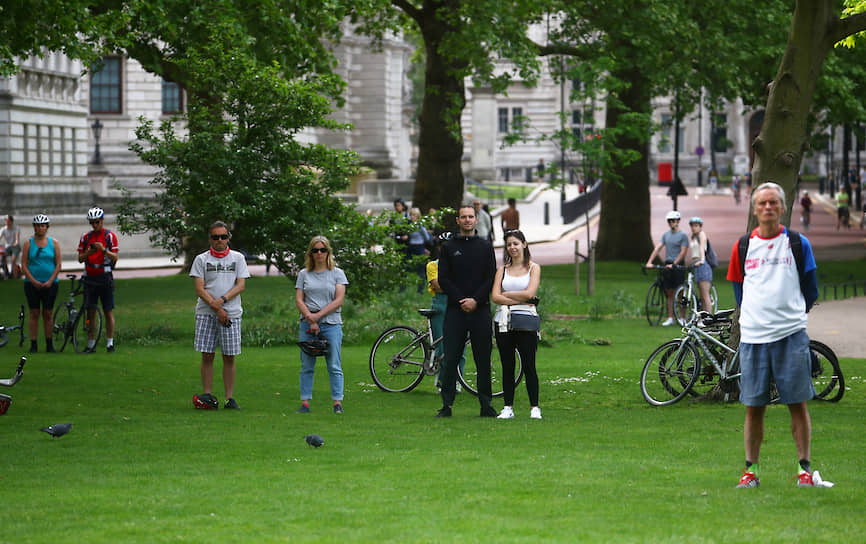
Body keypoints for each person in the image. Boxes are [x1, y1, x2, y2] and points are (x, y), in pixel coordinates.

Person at [727, 182, 820, 488]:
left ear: (782, 207)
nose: (768, 207)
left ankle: (804, 469)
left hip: (791, 335)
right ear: (754, 209)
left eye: (773, 203)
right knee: (754, 406)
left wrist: (789, 315)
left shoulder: (797, 243)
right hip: (753, 339)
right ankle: (750, 471)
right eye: (762, 203)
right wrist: (758, 316)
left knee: (797, 402)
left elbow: (811, 290)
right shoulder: (742, 247)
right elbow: (740, 292)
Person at [434, 204, 497, 418]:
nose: (468, 220)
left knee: (483, 359)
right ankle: (447, 405)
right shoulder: (449, 247)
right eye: (464, 217)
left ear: (476, 220)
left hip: (480, 310)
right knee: (450, 358)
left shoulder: (486, 246)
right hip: (456, 311)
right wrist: (462, 299)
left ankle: (486, 405)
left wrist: (476, 300)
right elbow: (444, 278)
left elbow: (491, 277)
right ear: (458, 221)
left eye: (471, 216)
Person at [191, 221, 250, 410]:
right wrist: (216, 308)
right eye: (215, 237)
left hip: (231, 313)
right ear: (210, 239)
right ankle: (207, 394)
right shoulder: (201, 259)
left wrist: (222, 302)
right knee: (207, 355)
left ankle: (229, 398)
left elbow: (240, 285)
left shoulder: (238, 258)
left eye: (223, 237)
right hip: (206, 312)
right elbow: (200, 289)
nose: (219, 240)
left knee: (229, 356)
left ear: (228, 238)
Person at [491, 229, 542, 420]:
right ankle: (508, 407)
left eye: (516, 243)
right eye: (509, 244)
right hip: (503, 321)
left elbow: (530, 293)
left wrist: (507, 295)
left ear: (524, 244)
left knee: (529, 364)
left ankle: (534, 407)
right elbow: (495, 297)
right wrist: (517, 299)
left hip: (526, 320)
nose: (512, 247)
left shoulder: (533, 268)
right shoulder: (502, 270)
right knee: (507, 365)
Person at [295, 236, 349, 414]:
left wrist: (318, 316)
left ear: (328, 252)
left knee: (334, 364)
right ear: (310, 253)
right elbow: (299, 299)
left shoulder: (337, 273)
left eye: (322, 250)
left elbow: (339, 300)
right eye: (315, 250)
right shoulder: (304, 274)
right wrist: (310, 318)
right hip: (307, 324)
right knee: (307, 365)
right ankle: (305, 402)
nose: (319, 253)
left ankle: (337, 402)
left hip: (330, 324)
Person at [425, 232, 465, 389]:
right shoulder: (433, 265)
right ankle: (443, 381)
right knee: (443, 346)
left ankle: (457, 380)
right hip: (441, 306)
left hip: (458, 304)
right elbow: (437, 286)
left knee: (460, 345)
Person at [77, 207, 119, 353]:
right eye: (92, 223)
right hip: (90, 276)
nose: (94, 225)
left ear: (102, 221)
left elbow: (115, 257)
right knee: (90, 313)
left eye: (97, 222)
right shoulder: (85, 237)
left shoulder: (110, 236)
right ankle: (91, 342)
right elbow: (80, 258)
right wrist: (90, 251)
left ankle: (110, 342)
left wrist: (103, 250)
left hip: (105, 276)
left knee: (108, 311)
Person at [20, 214, 61, 353]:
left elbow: (58, 264)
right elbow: (24, 265)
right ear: (34, 227)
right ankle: (33, 344)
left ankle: (49, 344)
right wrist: (33, 281)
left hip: (50, 284)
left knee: (48, 313)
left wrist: (50, 281)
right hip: (32, 284)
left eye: (42, 226)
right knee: (34, 312)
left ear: (47, 227)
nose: (40, 228)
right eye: (37, 226)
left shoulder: (54, 243)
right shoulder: (28, 243)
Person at [645, 210, 689, 326]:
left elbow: (683, 252)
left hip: (678, 266)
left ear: (678, 221)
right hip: (668, 265)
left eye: (673, 221)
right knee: (669, 293)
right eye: (669, 221)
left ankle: (682, 317)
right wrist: (649, 262)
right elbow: (658, 248)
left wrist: (674, 263)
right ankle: (670, 317)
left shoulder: (683, 235)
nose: (671, 223)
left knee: (680, 293)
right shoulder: (666, 235)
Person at [686, 217, 713, 313]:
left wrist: (702, 260)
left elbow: (702, 248)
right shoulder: (693, 237)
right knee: (701, 294)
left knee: (705, 295)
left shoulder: (701, 234)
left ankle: (709, 317)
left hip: (702, 264)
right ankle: (703, 316)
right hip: (696, 264)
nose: (694, 228)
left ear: (700, 226)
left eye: (696, 225)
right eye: (692, 226)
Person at [407, 207, 432, 293]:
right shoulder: (409, 225)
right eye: (411, 215)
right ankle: (406, 287)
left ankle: (420, 289)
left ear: (417, 216)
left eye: (413, 215)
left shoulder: (420, 225)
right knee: (408, 267)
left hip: (419, 247)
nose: (412, 217)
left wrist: (424, 246)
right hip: (411, 247)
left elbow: (427, 237)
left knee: (420, 269)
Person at [1, 215, 21, 279]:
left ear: (11, 221)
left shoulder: (16, 228)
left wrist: (16, 242)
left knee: (13, 260)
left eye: (8, 221)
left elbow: (17, 238)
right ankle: (7, 274)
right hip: (7, 247)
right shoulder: (3, 229)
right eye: (6, 221)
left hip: (15, 246)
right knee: (2, 258)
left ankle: (15, 277)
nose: (7, 222)